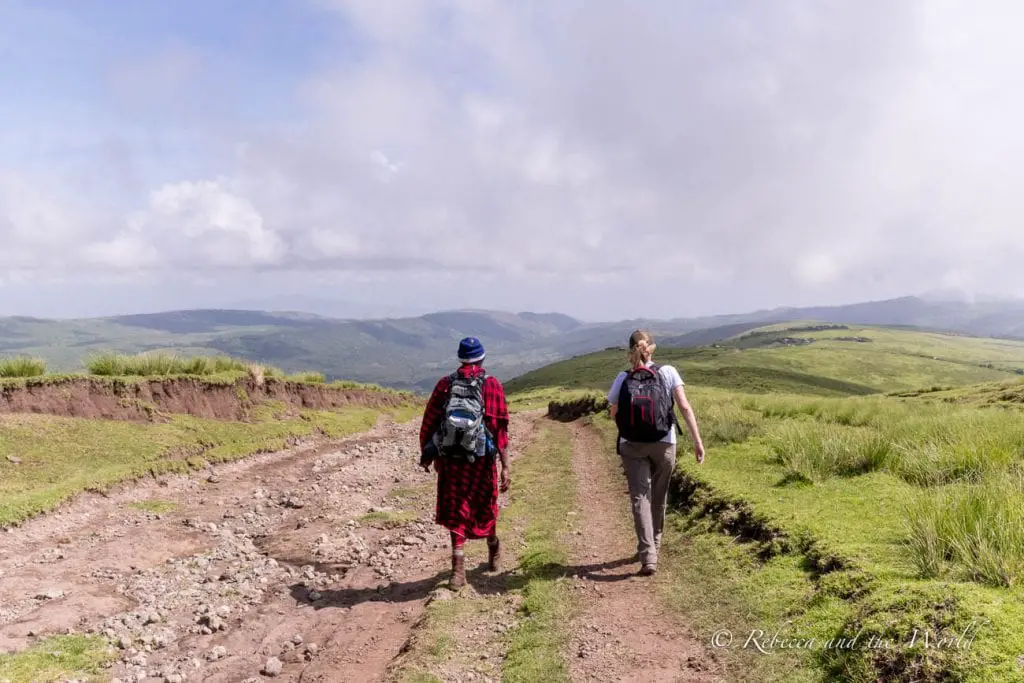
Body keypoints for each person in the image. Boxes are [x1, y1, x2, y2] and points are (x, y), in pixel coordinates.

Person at [607, 329, 705, 576]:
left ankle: (648, 554)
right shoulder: (668, 371)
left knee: (640, 497)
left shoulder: (623, 377)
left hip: (632, 445)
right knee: (659, 497)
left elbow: (613, 411)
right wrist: (697, 440)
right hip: (665, 443)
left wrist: (629, 427)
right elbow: (683, 406)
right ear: (651, 347)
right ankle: (656, 544)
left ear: (631, 350)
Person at [419, 336, 511, 589]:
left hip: (452, 459)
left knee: (456, 507)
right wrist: (506, 466)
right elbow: (499, 429)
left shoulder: (444, 385)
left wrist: (430, 456)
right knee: (485, 503)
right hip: (481, 460)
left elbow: (429, 423)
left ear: (460, 358)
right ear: (482, 358)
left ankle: (457, 571)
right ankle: (493, 546)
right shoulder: (491, 385)